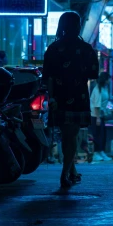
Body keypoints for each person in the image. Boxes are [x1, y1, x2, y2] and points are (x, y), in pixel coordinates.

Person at [43, 11, 99, 189]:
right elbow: (93, 74)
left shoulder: (53, 49)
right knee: (71, 135)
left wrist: (51, 98)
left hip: (58, 97)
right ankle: (65, 173)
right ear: (78, 25)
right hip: (78, 97)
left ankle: (71, 171)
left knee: (67, 135)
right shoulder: (87, 49)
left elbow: (48, 77)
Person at [90, 72, 112, 162]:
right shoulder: (97, 89)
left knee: (102, 135)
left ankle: (101, 152)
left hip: (100, 115)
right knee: (97, 135)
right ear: (105, 79)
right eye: (109, 79)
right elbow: (97, 105)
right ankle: (96, 153)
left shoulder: (104, 88)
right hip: (96, 116)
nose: (110, 81)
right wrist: (98, 118)